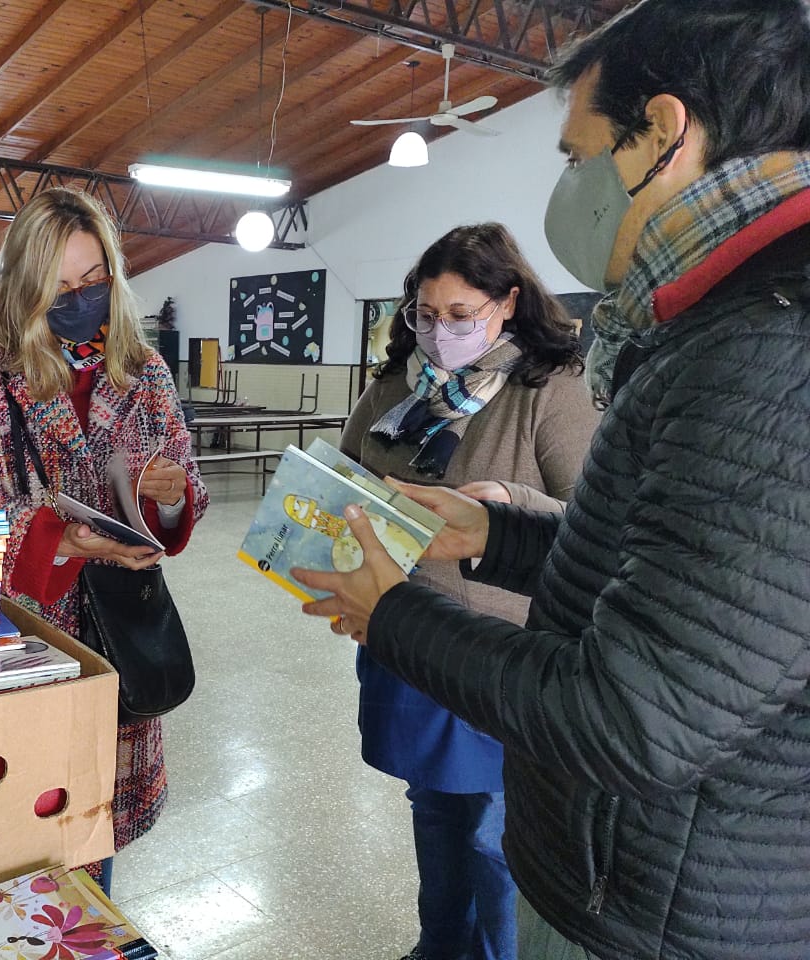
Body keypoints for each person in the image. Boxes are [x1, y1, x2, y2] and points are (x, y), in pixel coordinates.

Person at [295, 2, 810, 958]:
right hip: (627, 867)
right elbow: (660, 565)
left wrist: (395, 613)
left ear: (661, 132)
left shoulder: (770, 349)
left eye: (577, 156)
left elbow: (635, 717)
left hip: (663, 908)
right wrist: (497, 534)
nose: (567, 189)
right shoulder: (714, 326)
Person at [0, 187, 208, 894]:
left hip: (118, 628)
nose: (81, 299)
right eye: (60, 287)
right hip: (21, 632)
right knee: (16, 820)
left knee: (90, 821)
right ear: (25, 285)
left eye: (93, 281)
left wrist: (169, 500)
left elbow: (185, 481)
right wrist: (66, 541)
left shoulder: (142, 369)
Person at [343, 224, 600, 960]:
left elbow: (592, 516)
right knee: (433, 807)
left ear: (509, 302)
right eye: (425, 315)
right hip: (402, 634)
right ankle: (441, 946)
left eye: (462, 315)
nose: (439, 331)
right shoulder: (395, 388)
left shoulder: (549, 388)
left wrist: (506, 501)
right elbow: (339, 474)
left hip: (497, 648)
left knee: (494, 829)